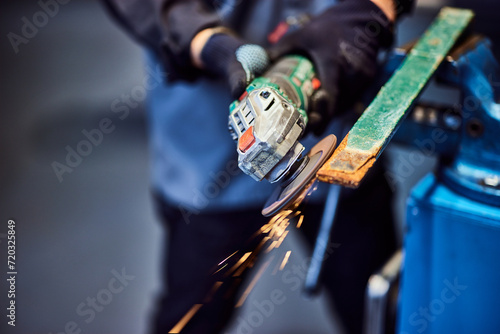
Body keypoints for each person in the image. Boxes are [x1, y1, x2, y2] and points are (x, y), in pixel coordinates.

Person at [102, 0, 413, 333]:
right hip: (206, 165)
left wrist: (365, 15)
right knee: (192, 318)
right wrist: (206, 41)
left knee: (379, 310)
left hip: (341, 150)